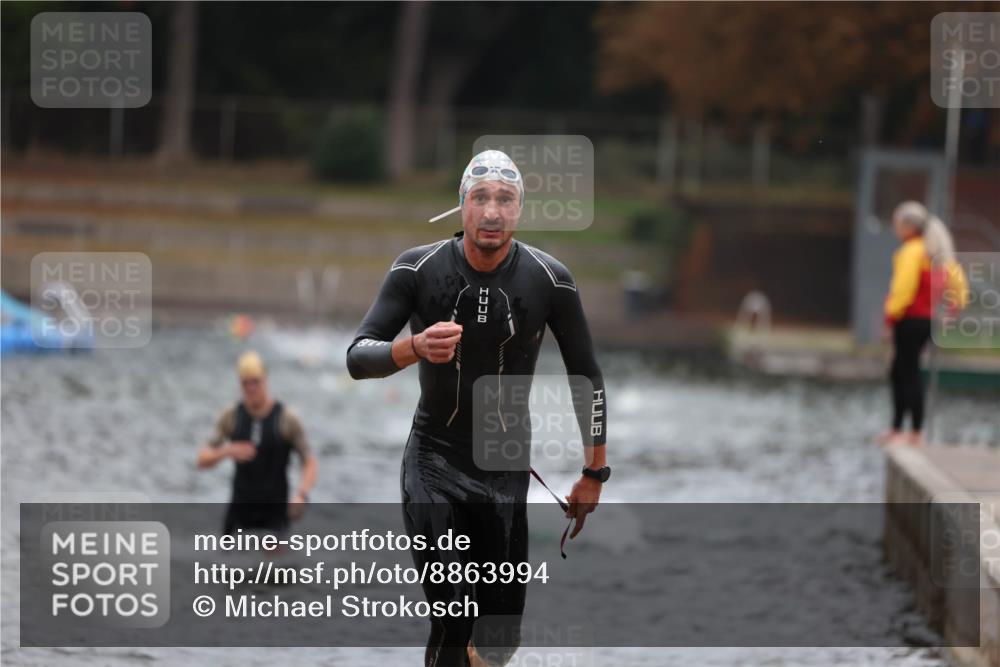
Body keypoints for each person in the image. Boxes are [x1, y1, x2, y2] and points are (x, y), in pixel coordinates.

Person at [346, 150, 611, 667]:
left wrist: (594, 472)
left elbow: (588, 375)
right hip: (434, 462)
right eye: (481, 198)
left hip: (505, 470)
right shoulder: (417, 269)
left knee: (497, 638)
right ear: (462, 205)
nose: (492, 212)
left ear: (520, 210)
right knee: (453, 611)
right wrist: (413, 347)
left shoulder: (549, 280)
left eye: (505, 200)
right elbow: (358, 356)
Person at [197, 351, 318, 534]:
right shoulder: (231, 416)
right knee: (227, 562)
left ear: (265, 380)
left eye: (255, 381)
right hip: (239, 513)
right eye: (245, 383)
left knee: (277, 562)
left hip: (275, 514)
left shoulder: (287, 418)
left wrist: (301, 494)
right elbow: (202, 460)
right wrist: (227, 451)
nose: (250, 388)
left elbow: (309, 461)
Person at [878, 201, 968, 446]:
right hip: (927, 322)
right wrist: (952, 310)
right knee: (908, 370)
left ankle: (905, 430)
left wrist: (889, 318)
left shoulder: (912, 251)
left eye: (897, 223)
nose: (895, 228)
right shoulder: (936, 252)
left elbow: (903, 290)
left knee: (903, 373)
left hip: (909, 320)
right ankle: (911, 430)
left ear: (908, 226)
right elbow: (959, 285)